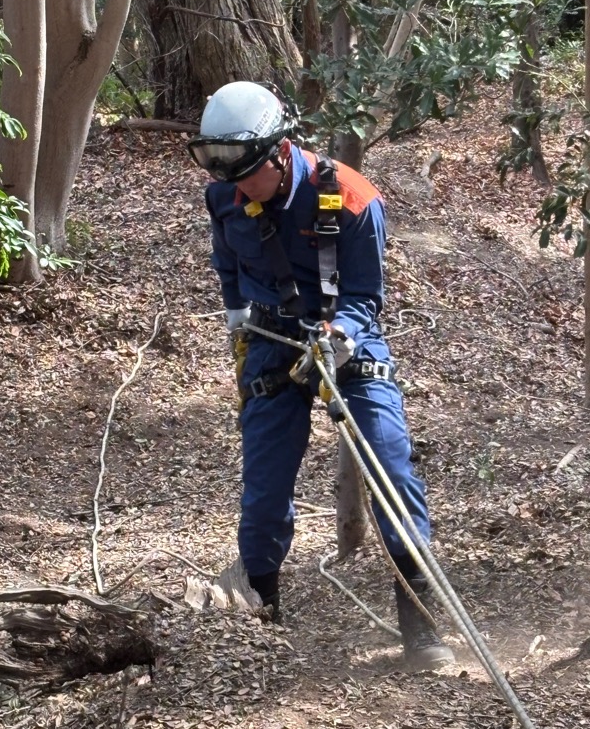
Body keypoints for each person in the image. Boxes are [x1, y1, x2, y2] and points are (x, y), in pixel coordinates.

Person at [188, 80, 454, 670]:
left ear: (282, 154)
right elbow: (229, 267)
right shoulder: (224, 197)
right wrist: (242, 333)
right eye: (225, 175)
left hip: (348, 347)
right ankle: (263, 617)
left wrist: (339, 339)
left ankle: (421, 622)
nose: (236, 188)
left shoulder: (354, 200)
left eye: (247, 174)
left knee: (389, 469)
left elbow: (364, 295)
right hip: (271, 346)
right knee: (263, 492)